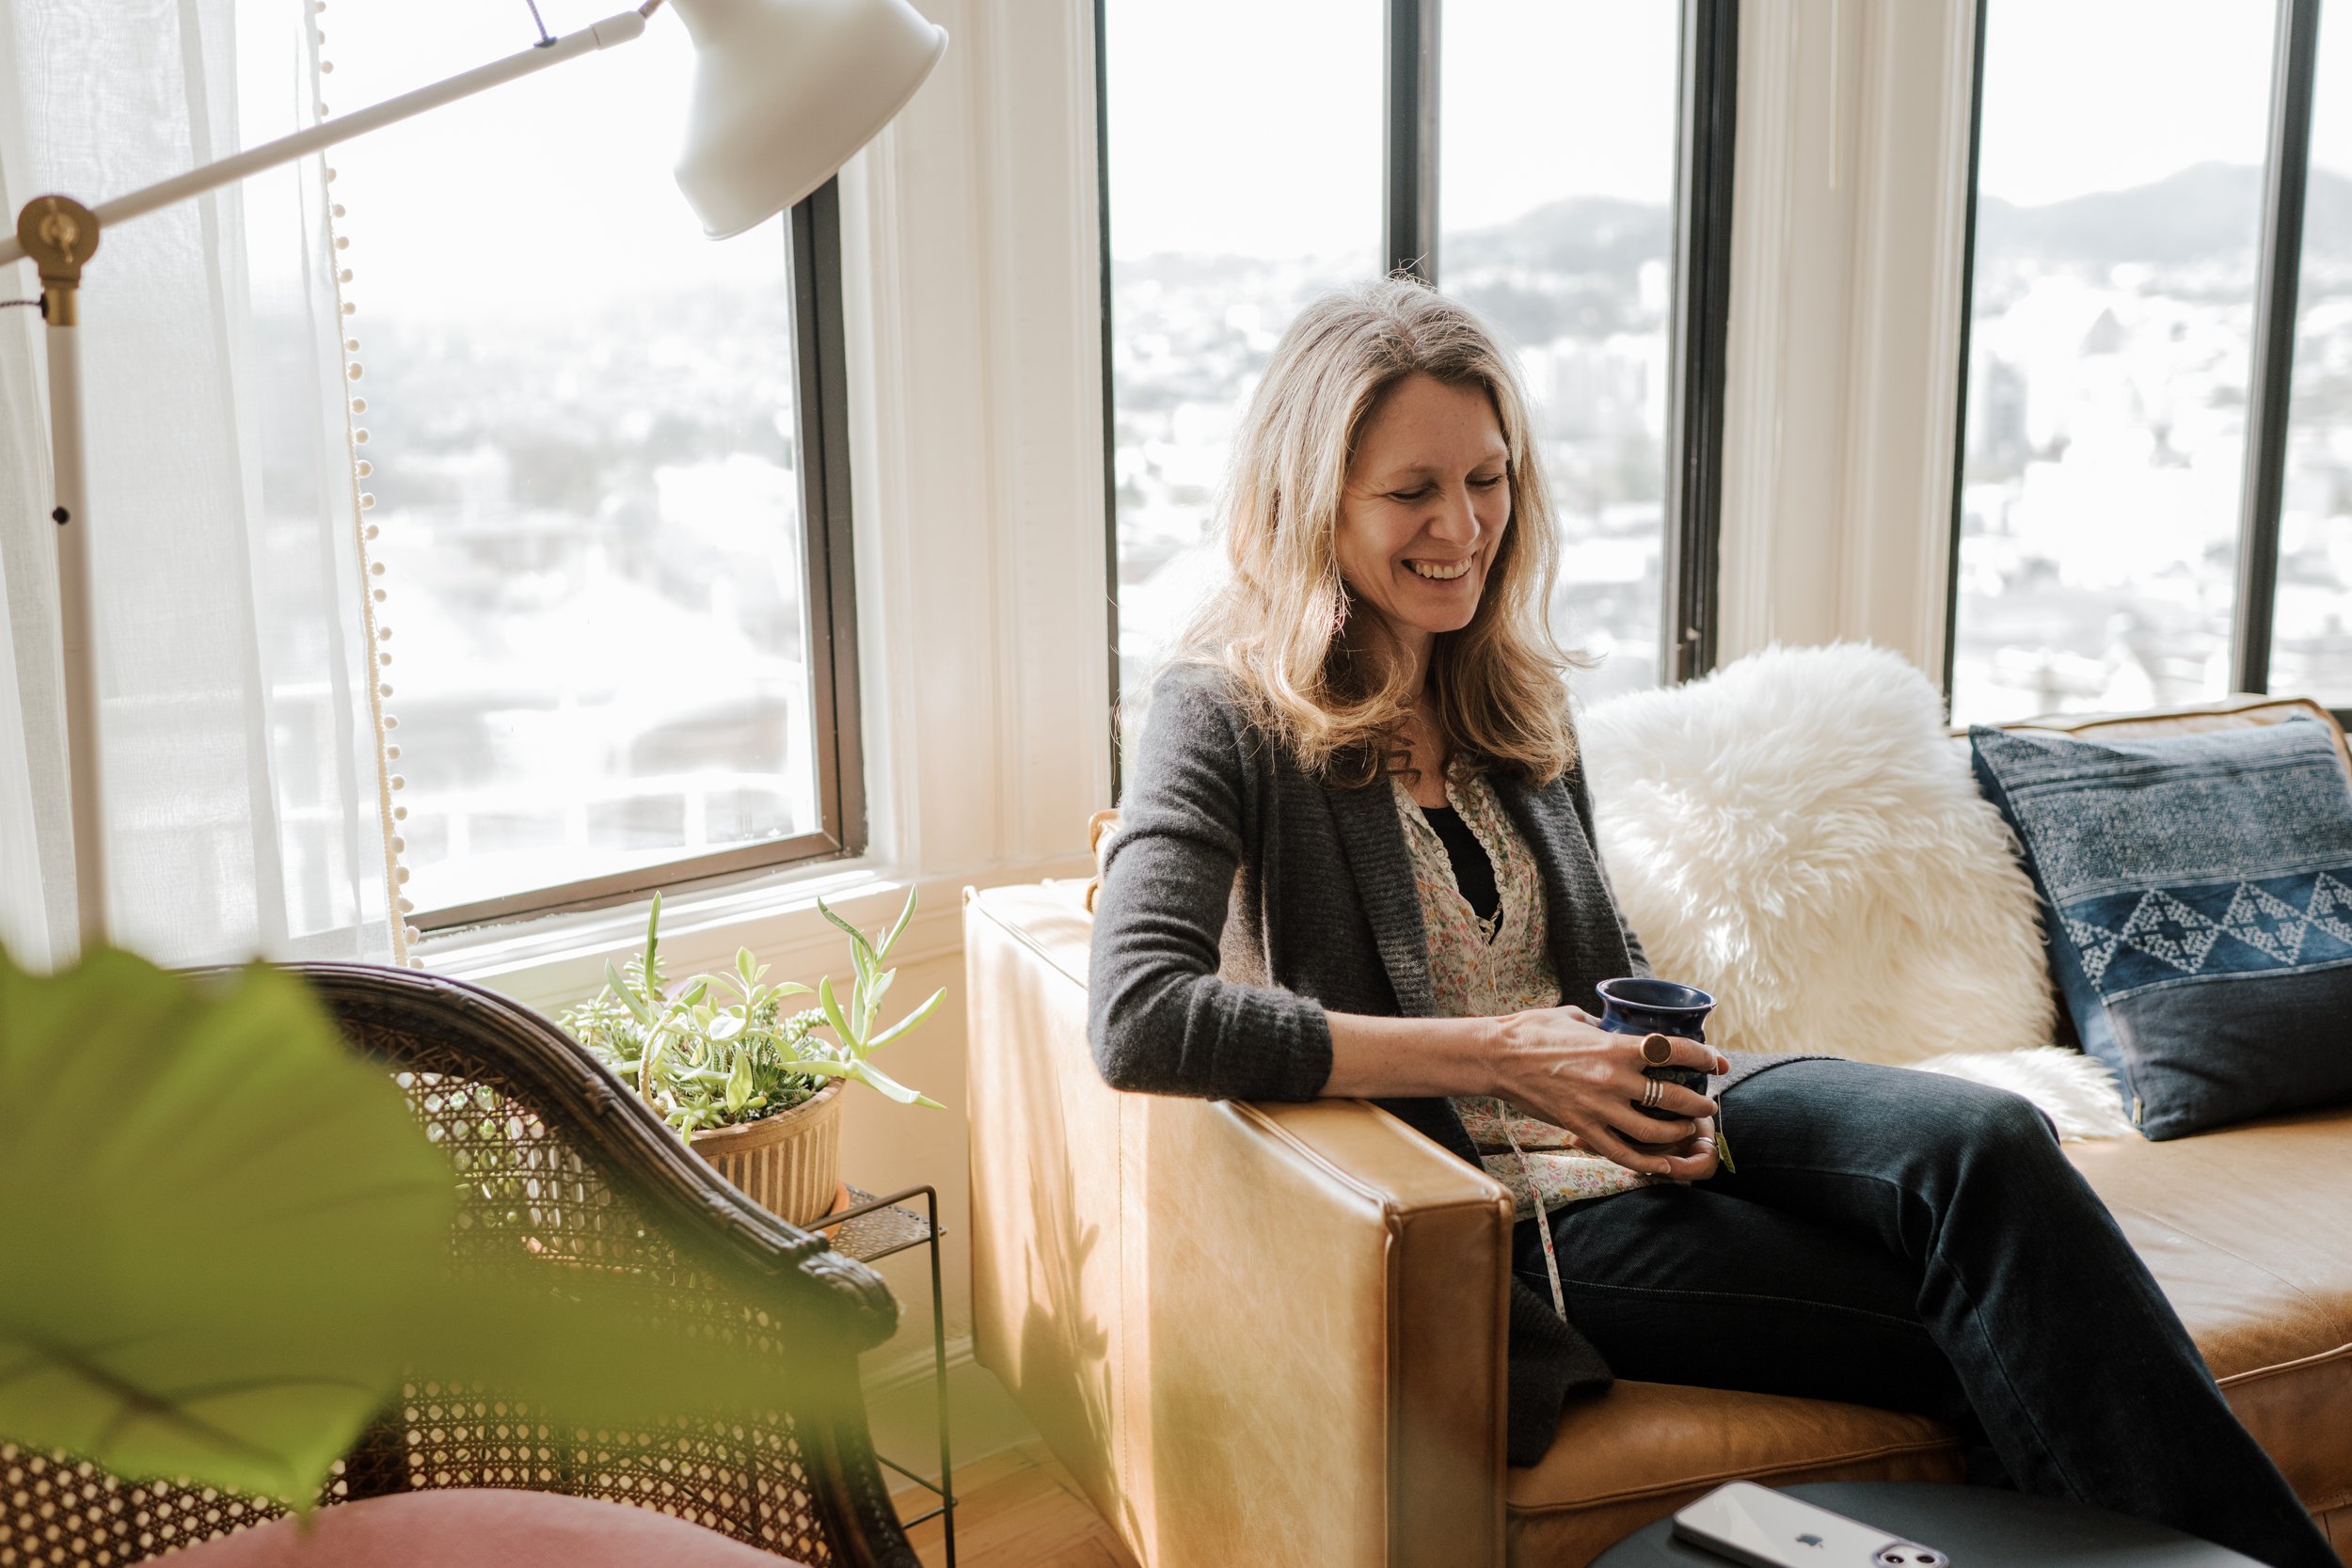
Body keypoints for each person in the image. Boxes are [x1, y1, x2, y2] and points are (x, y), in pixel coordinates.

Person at [1086, 277, 2335, 1568]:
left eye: (1489, 479)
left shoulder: (1511, 699)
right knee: (2014, 1317)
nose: (1462, 526)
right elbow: (1139, 1016)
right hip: (1514, 1208)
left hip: (1648, 1119)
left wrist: (1659, 1082)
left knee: (1990, 1139)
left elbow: (1602, 967)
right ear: (1311, 503)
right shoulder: (1221, 713)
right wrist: (1505, 1058)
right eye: (1412, 491)